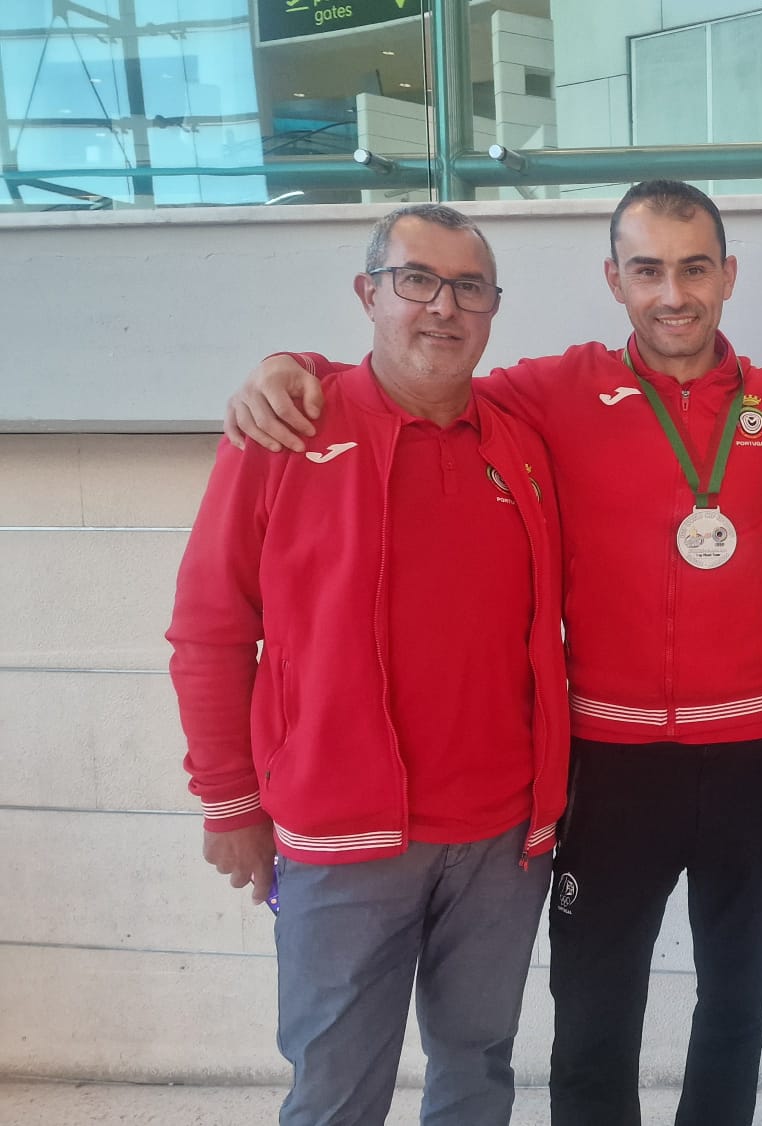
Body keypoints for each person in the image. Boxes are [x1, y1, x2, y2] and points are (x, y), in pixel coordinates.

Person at [223, 181, 762, 1126]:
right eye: (647, 269)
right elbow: (421, 370)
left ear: (728, 277)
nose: (673, 293)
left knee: (735, 1003)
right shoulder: (547, 392)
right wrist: (296, 366)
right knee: (596, 1008)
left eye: (695, 268)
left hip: (754, 757)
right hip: (610, 763)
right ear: (613, 280)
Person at [167, 203, 569, 1125]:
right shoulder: (286, 429)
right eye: (416, 280)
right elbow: (210, 628)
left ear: (493, 309)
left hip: (503, 839)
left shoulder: (518, 438)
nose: (443, 307)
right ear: (368, 293)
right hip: (342, 841)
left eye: (469, 287)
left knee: (477, 1071)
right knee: (336, 1092)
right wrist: (228, 799)